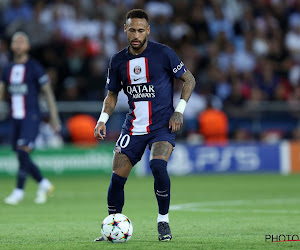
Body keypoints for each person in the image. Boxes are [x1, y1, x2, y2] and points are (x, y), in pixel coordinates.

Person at [94, 9, 195, 242]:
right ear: (125, 30)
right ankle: (112, 225)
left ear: (148, 30)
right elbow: (112, 95)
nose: (136, 35)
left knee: (158, 166)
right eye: (132, 30)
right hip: (133, 128)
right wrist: (102, 119)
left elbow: (189, 79)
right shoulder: (118, 60)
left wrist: (179, 111)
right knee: (117, 178)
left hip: (162, 125)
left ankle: (163, 221)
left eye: (141, 30)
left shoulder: (163, 53)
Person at [0, 32, 61, 205]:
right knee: (21, 154)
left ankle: (18, 192)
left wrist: (54, 116)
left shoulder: (34, 67)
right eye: (15, 41)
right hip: (15, 117)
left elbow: (47, 92)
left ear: (27, 46)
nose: (19, 44)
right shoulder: (8, 69)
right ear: (11, 46)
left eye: (22, 41)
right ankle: (44, 184)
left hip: (31, 116)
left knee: (22, 151)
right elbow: (1, 90)